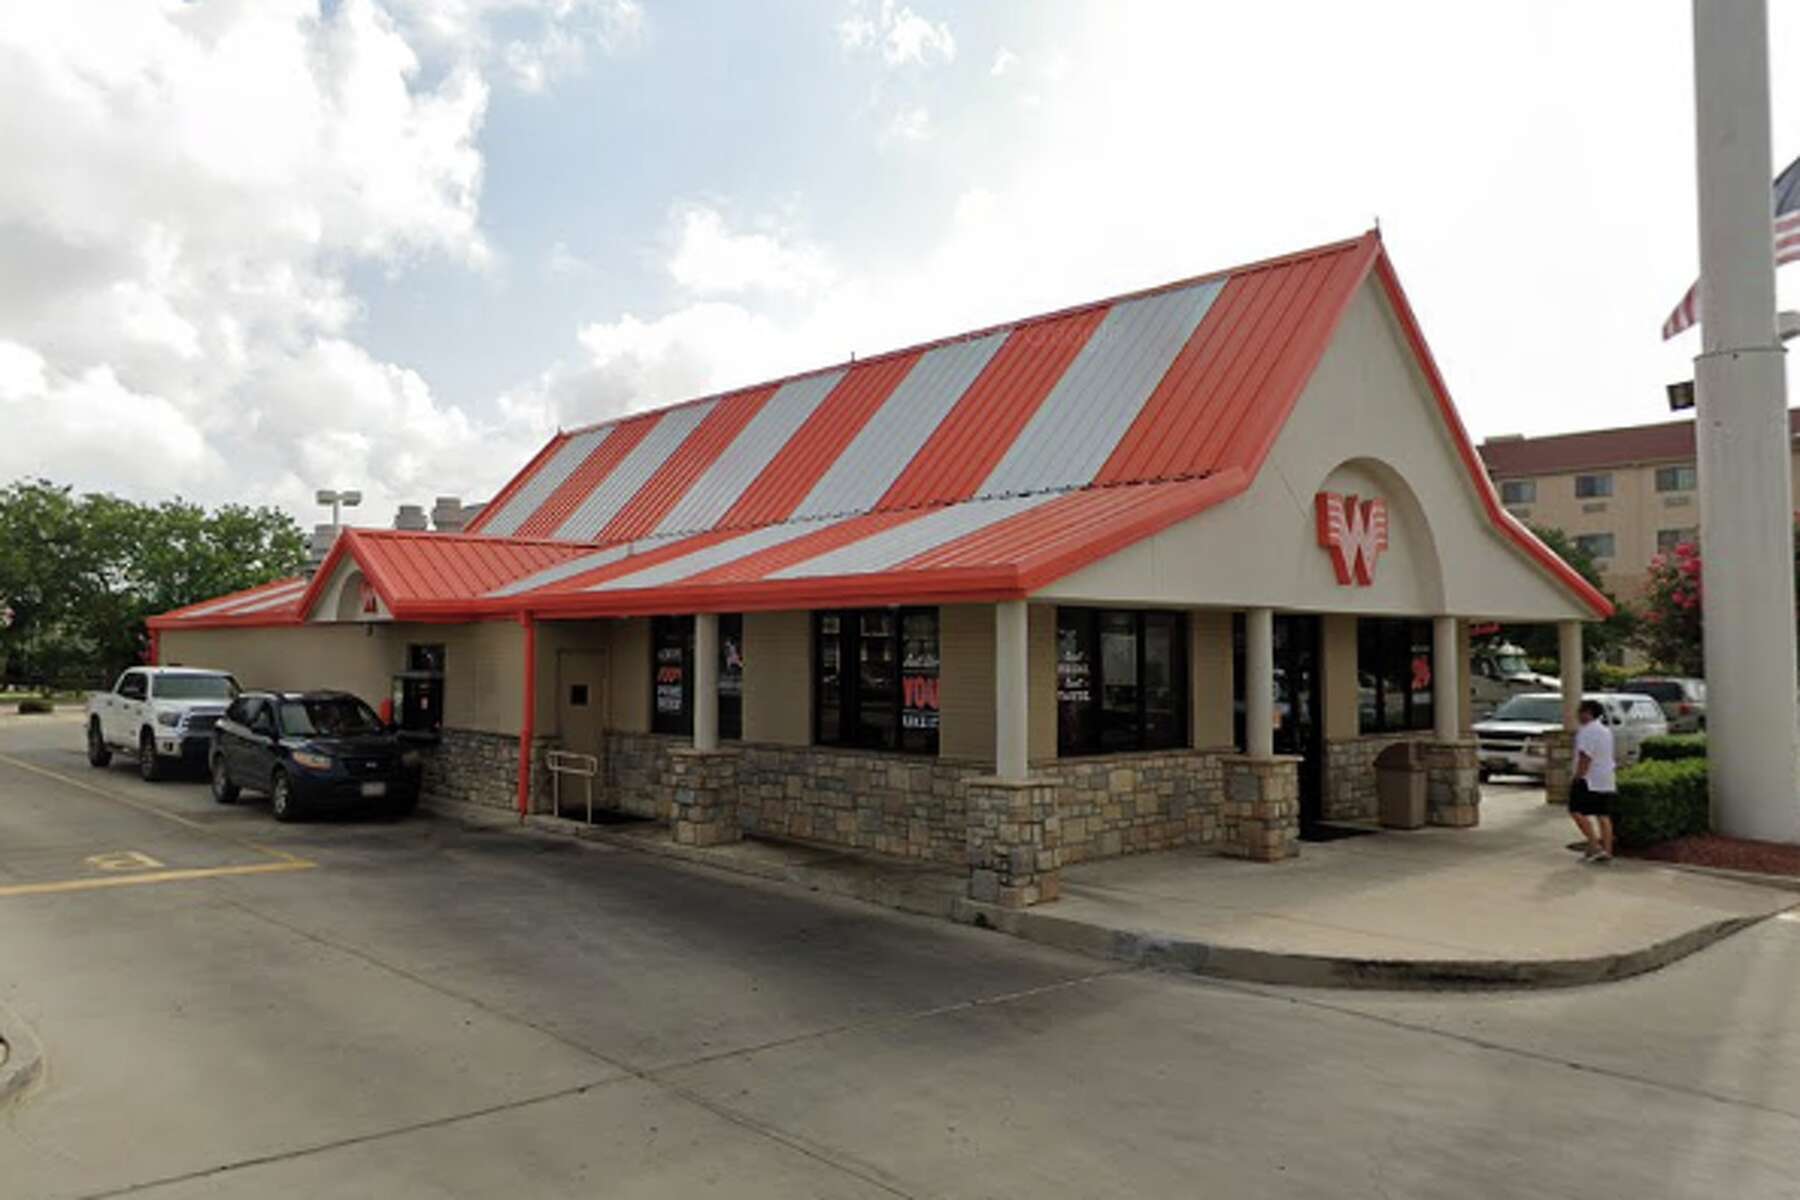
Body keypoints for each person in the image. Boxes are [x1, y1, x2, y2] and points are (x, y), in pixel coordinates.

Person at [1568, 699, 1617, 863]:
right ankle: (1607, 851)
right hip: (1606, 778)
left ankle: (1594, 845)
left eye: (1581, 711)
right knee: (1603, 815)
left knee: (1576, 811)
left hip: (1589, 779)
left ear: (1588, 713)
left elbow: (1585, 756)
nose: (1578, 715)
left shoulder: (1587, 731)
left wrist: (1578, 777)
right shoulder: (1604, 730)